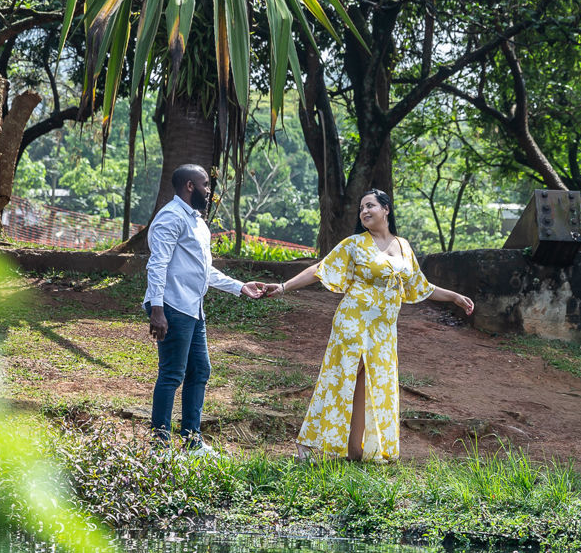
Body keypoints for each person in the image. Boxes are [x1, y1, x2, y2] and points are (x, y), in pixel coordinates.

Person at [266, 189, 475, 462]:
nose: (364, 211)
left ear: (386, 209)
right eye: (362, 208)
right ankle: (309, 445)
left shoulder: (403, 246)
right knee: (340, 379)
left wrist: (455, 297)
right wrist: (283, 287)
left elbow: (420, 286)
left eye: (370, 206)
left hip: (384, 329)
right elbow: (320, 269)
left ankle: (356, 451)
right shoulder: (354, 244)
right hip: (353, 321)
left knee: (373, 386)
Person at [142, 164, 270, 452]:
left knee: (200, 370)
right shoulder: (170, 218)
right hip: (173, 307)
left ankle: (192, 441)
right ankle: (158, 445)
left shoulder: (198, 222)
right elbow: (157, 265)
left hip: (193, 309)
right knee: (172, 373)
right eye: (205, 185)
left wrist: (239, 286)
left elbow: (205, 272)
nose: (209, 191)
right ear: (190, 186)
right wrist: (157, 309)